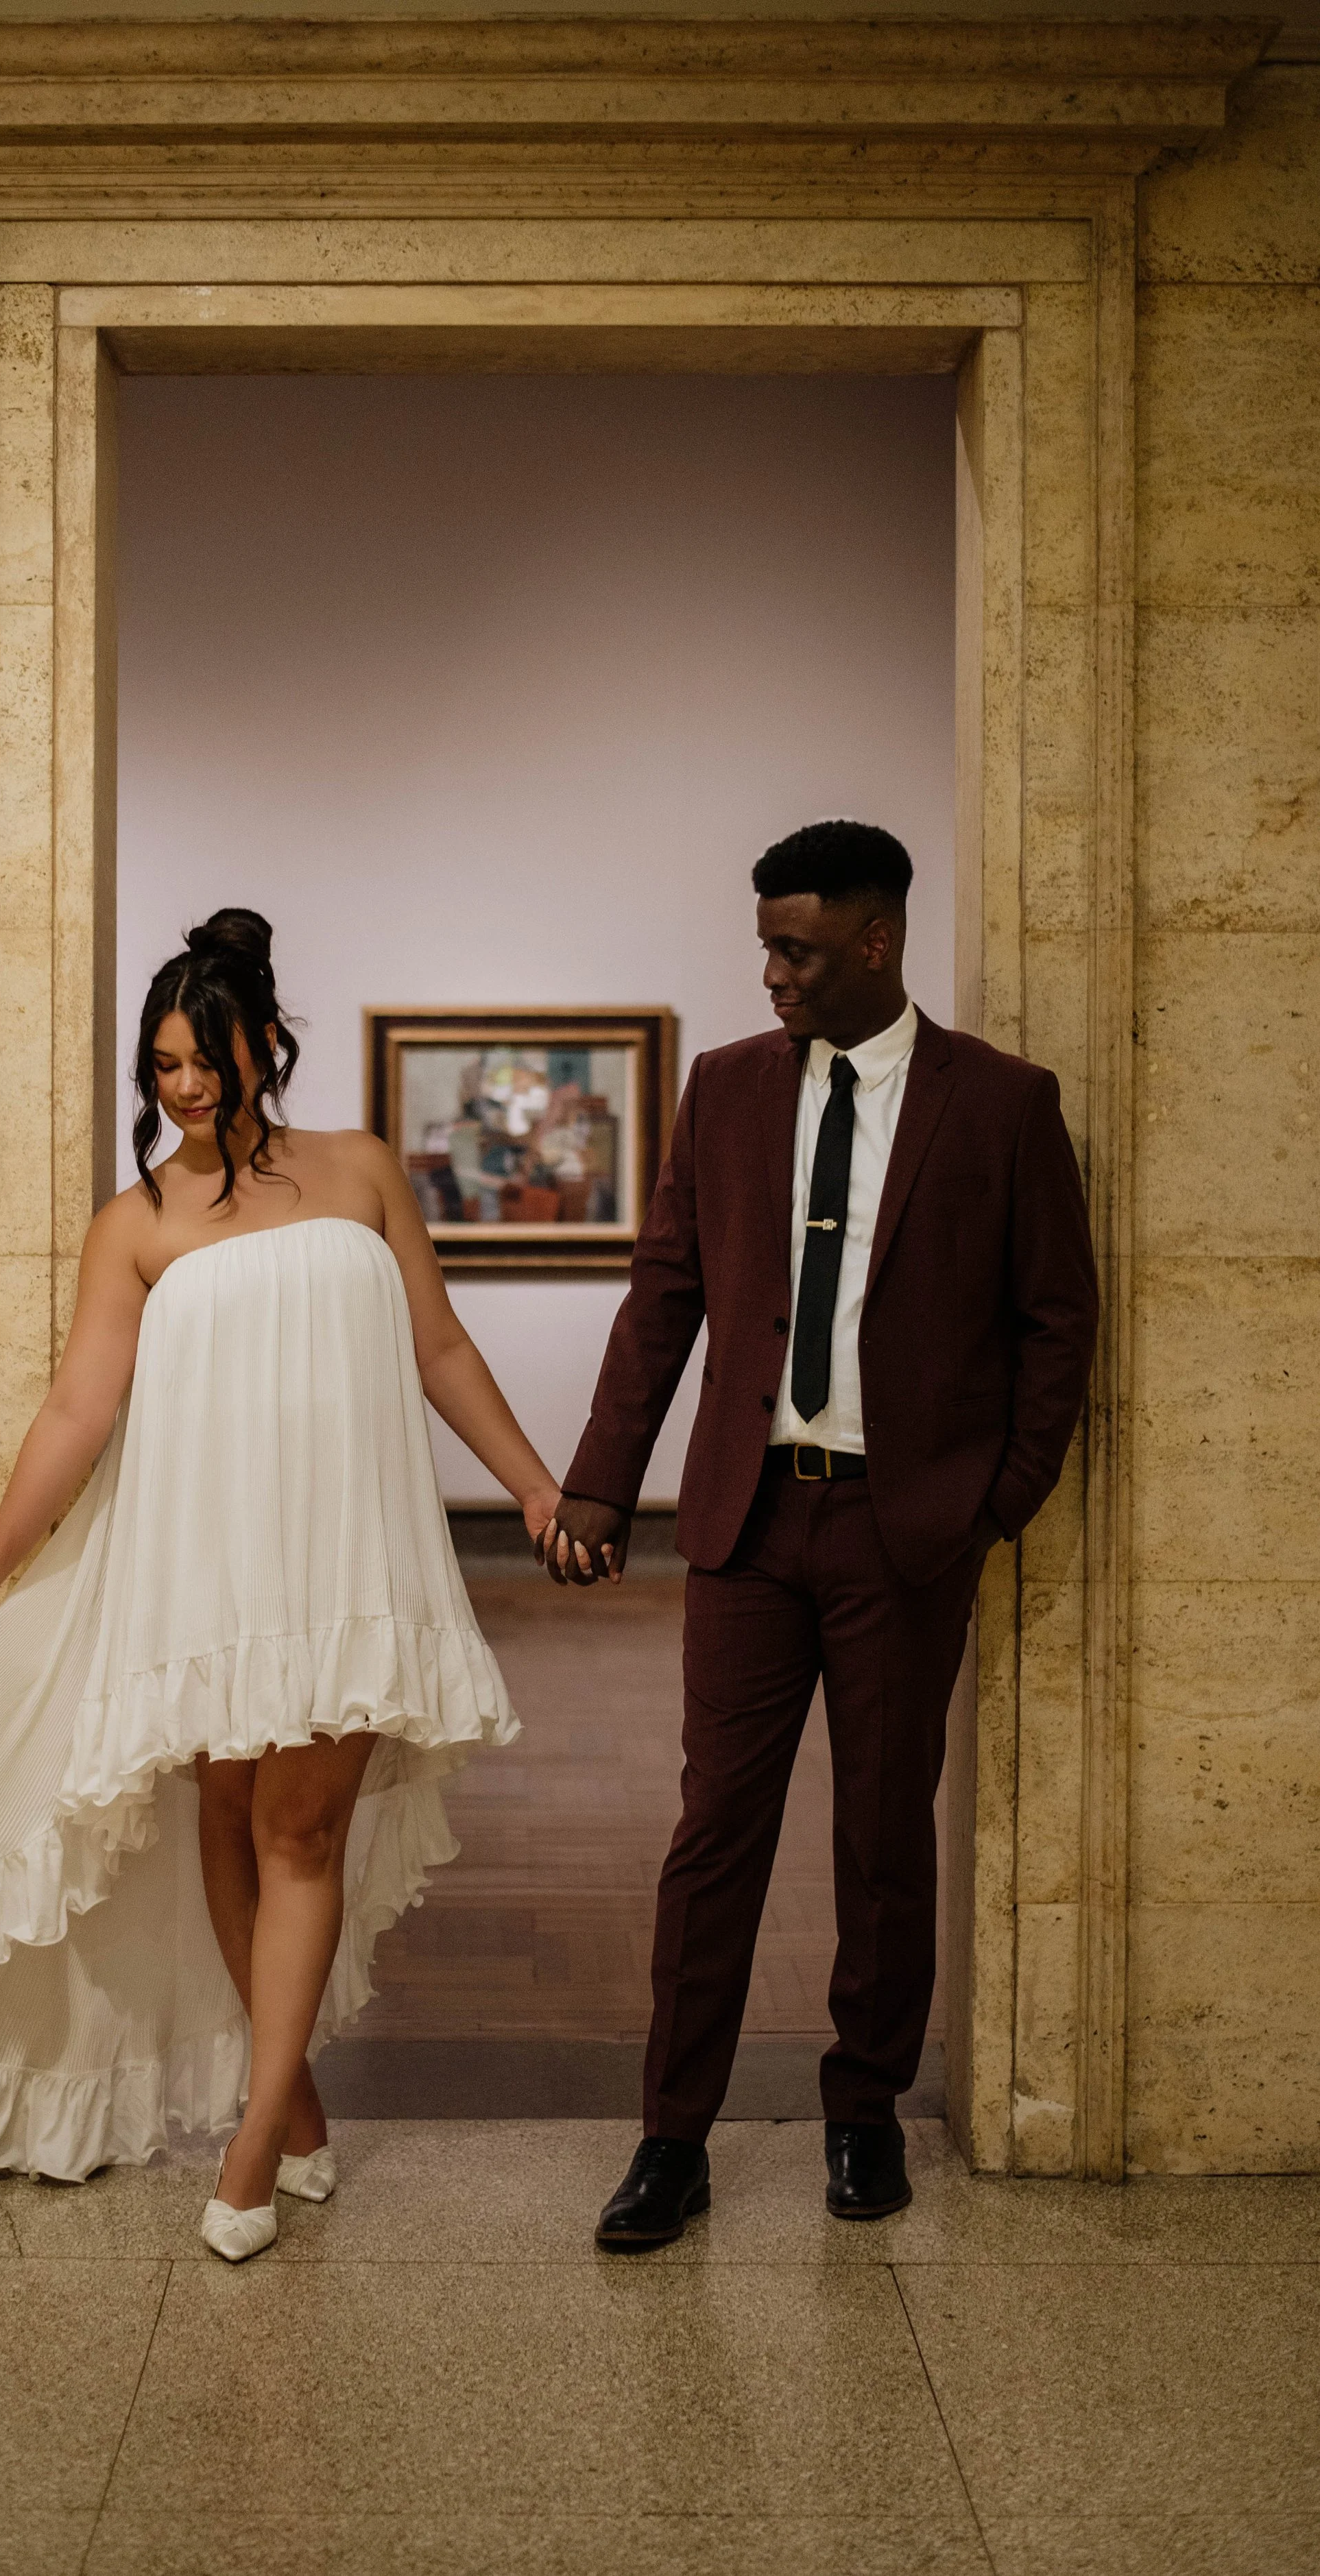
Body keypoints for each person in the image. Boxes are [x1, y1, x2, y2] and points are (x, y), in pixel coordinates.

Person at [0, 911, 561, 2262]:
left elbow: (437, 1346)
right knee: (225, 1813)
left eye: (206, 1056)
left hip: (345, 1554)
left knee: (301, 1832)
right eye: (161, 1065)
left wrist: (532, 1484)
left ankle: (246, 2149)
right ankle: (302, 2113)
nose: (184, 1086)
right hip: (206, 1554)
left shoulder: (360, 1172)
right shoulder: (138, 1222)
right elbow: (75, 1412)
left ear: (267, 1042)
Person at [544, 821, 1097, 2244]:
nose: (770, 975)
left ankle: (862, 2113)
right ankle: (671, 2138)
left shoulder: (998, 1104)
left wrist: (991, 1503)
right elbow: (663, 1290)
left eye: (794, 948)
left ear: (873, 939)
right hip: (742, 1521)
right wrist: (602, 1478)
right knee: (712, 1830)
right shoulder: (724, 1093)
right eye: (762, 950)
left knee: (880, 1839)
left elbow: (1055, 1321)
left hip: (902, 1532)